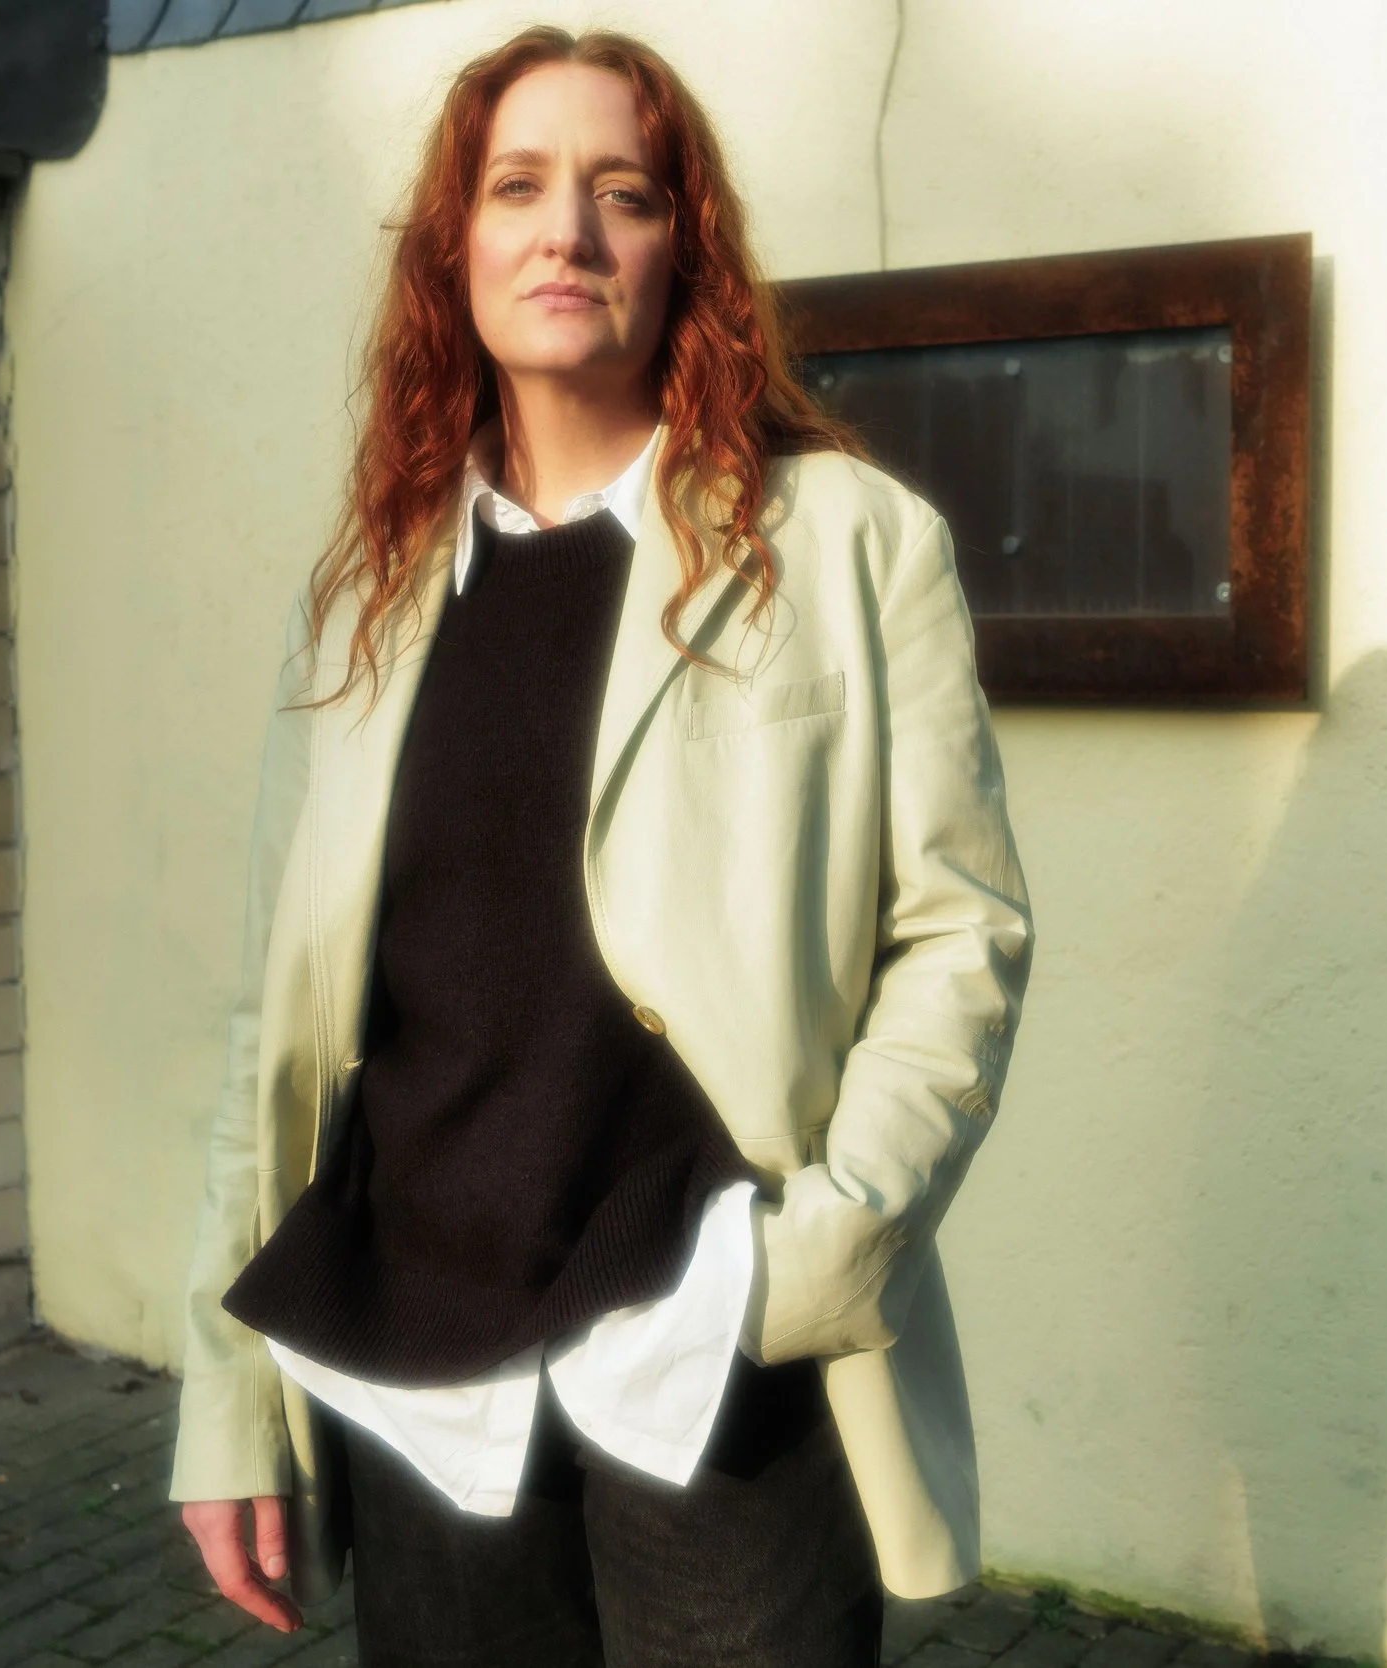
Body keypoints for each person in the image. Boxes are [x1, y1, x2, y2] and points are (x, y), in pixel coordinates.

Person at [165, 26, 1033, 1668]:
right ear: (459, 249)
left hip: (716, 1355)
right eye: (518, 188)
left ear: (681, 252)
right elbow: (272, 1023)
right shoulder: (361, 604)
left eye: (622, 194)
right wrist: (226, 1399)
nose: (566, 230)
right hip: (418, 1376)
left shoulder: (849, 544)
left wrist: (823, 1249)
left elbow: (961, 932)